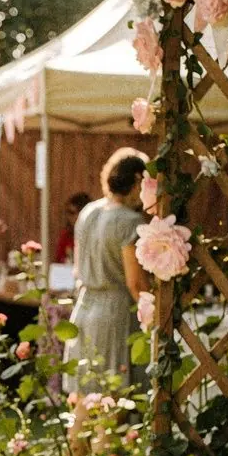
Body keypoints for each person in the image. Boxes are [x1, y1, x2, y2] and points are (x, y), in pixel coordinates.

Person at [63, 148, 147, 396]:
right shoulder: (130, 221)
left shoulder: (89, 211)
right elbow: (135, 283)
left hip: (85, 305)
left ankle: (75, 437)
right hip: (115, 312)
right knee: (111, 398)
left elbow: (78, 265)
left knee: (83, 393)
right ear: (137, 182)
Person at [54, 192, 91, 265]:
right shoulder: (66, 235)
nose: (73, 217)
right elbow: (59, 261)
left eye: (74, 213)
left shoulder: (94, 236)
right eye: (70, 212)